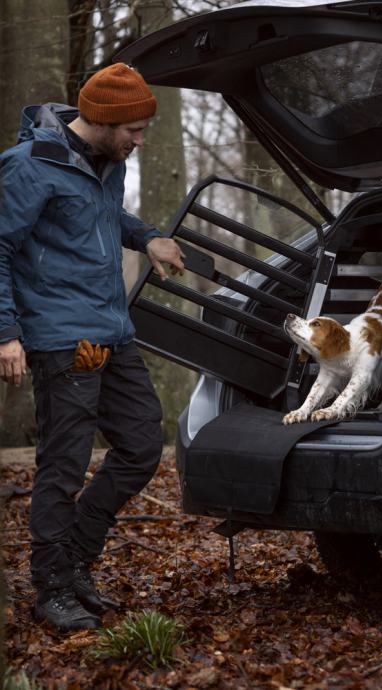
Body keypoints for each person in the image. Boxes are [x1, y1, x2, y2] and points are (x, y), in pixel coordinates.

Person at [0, 63, 185, 632]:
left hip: (112, 330)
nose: (140, 140)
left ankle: (76, 557)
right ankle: (52, 587)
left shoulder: (107, 162)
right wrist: (6, 333)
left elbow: (102, 217)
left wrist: (147, 236)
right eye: (133, 130)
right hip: (62, 337)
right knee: (65, 465)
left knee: (141, 445)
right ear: (102, 121)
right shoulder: (29, 167)